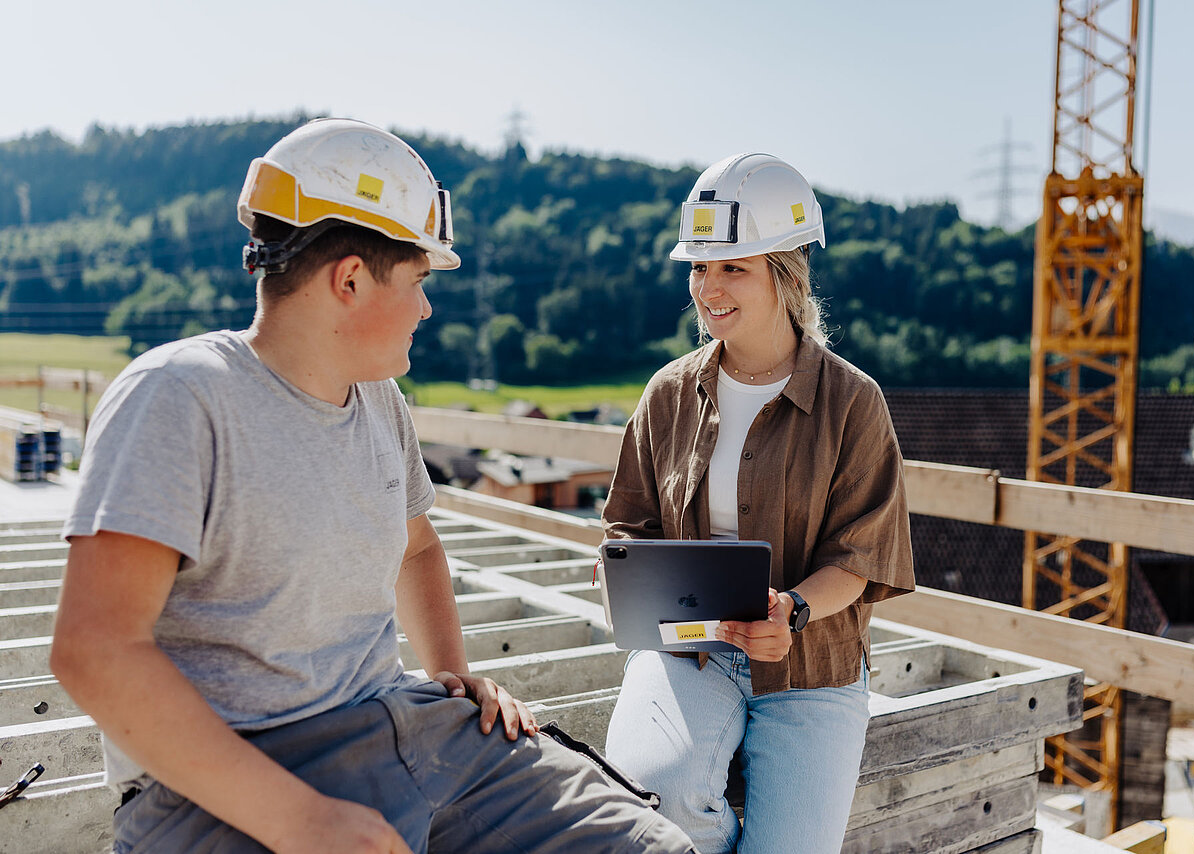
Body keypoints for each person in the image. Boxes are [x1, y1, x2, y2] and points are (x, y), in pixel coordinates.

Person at [50, 118, 695, 854]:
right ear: (350, 279)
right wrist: (299, 819)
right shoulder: (179, 398)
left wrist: (455, 677)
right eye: (420, 280)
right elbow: (94, 648)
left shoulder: (379, 400)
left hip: (402, 730)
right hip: (223, 780)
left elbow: (417, 549)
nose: (427, 307)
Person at [601, 152, 916, 853]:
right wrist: (621, 568)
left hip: (812, 665)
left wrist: (792, 611)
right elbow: (628, 522)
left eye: (732, 268)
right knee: (649, 805)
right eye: (699, 267)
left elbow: (860, 557)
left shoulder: (853, 403)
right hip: (687, 651)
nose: (708, 287)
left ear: (785, 273)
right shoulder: (668, 394)